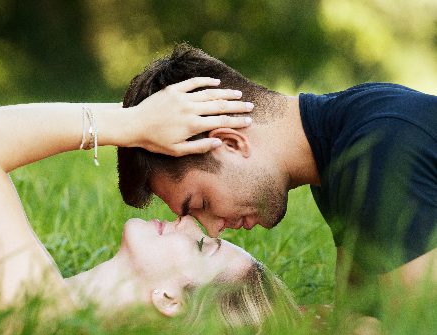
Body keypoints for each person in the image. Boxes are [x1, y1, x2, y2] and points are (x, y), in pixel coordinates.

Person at [0, 78, 298, 335]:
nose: (188, 222)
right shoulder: (45, 306)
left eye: (201, 248)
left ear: (169, 299)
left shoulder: (42, 314)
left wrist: (135, 124)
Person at [117, 44, 437, 298]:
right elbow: (354, 316)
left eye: (201, 203)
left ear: (230, 142)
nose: (212, 231)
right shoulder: (341, 156)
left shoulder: (377, 148)